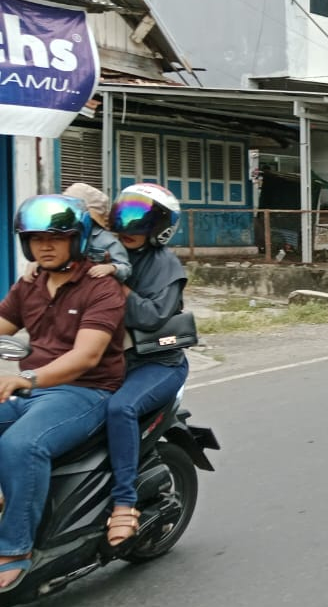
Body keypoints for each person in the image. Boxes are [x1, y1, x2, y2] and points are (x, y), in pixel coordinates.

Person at [0, 195, 126, 590]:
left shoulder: (100, 287)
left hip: (85, 392)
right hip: (34, 389)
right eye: (36, 239)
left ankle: (15, 548)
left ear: (78, 239)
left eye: (57, 237)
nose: (45, 246)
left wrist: (30, 379)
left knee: (22, 445)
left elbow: (87, 357)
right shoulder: (29, 284)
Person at [103, 183, 190, 546]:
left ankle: (123, 500)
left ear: (161, 227)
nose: (130, 228)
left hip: (158, 364)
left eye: (141, 221)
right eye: (124, 217)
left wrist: (118, 287)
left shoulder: (164, 264)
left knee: (121, 408)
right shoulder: (106, 254)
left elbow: (153, 316)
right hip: (109, 360)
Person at [21, 183, 131, 285]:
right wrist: (37, 264)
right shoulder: (63, 234)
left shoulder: (106, 240)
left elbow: (125, 267)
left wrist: (111, 268)